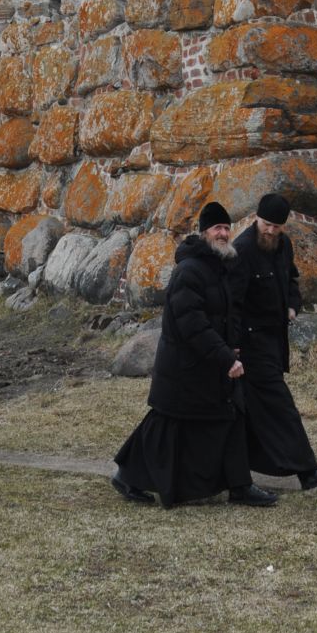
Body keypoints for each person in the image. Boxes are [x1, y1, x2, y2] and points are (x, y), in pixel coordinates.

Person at [112, 201, 276, 509]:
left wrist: (233, 345)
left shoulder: (219, 268)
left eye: (227, 228)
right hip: (185, 368)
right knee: (165, 424)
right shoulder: (189, 272)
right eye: (217, 228)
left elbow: (224, 314)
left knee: (230, 417)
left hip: (207, 363)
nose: (224, 233)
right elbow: (193, 324)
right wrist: (226, 358)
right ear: (203, 233)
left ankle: (240, 486)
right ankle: (127, 475)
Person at [230, 193, 317, 491]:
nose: (270, 231)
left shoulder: (283, 244)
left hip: (274, 341)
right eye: (266, 224)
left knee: (249, 411)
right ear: (255, 218)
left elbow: (291, 280)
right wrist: (233, 348)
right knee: (281, 406)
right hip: (251, 344)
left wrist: (292, 304)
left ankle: (235, 467)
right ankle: (307, 471)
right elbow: (232, 304)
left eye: (277, 226)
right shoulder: (243, 250)